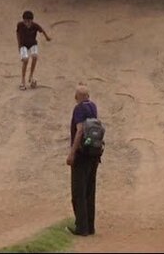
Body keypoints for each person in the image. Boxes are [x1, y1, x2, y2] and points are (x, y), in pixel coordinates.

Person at [66, 83, 100, 237]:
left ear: (77, 97)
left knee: (78, 191)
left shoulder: (78, 109)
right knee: (89, 191)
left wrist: (72, 153)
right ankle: (90, 226)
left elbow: (79, 130)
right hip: (94, 153)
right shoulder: (93, 107)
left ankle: (81, 228)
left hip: (81, 155)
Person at [16, 10, 51, 90]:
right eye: (25, 21)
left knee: (35, 57)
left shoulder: (35, 25)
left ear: (32, 20)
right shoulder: (20, 25)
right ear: (23, 20)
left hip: (33, 44)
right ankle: (23, 80)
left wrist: (47, 37)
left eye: (29, 21)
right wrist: (19, 45)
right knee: (25, 60)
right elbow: (17, 33)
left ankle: (31, 76)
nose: (27, 23)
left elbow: (42, 30)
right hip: (23, 44)